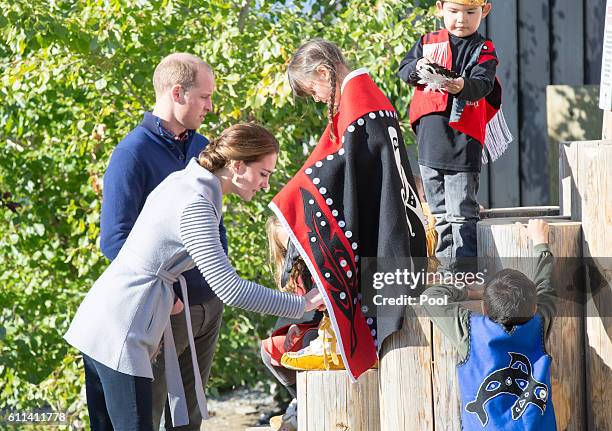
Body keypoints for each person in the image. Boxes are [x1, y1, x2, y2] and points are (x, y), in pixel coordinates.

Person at [65, 123, 324, 431]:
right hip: (121, 329)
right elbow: (230, 288)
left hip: (103, 319)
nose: (266, 185)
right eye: (264, 174)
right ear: (238, 165)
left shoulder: (187, 180)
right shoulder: (197, 202)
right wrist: (302, 304)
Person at [271, 39, 427, 380]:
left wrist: (293, 196)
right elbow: (341, 164)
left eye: (312, 89)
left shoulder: (359, 106)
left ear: (324, 72)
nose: (315, 98)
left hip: (384, 235)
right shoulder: (364, 99)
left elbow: (337, 168)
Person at [98, 52, 227, 431]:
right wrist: (164, 299)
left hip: (207, 310)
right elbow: (114, 239)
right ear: (178, 93)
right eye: (204, 96)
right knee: (146, 422)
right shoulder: (131, 153)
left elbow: (215, 224)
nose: (210, 105)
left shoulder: (202, 147)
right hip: (161, 315)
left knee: (188, 424)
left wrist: (221, 283)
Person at [398, 0, 512, 272]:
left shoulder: (484, 49)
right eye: (454, 11)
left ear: (484, 11)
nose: (461, 19)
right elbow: (405, 69)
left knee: (461, 213)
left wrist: (461, 85)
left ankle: (463, 273)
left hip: (463, 141)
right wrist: (420, 67)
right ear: (440, 8)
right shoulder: (427, 42)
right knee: (438, 214)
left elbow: (483, 85)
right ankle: (446, 270)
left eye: (470, 12)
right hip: (429, 143)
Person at [422, 219, 557, 429]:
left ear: (483, 309)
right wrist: (541, 242)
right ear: (533, 308)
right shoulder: (540, 323)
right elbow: (546, 286)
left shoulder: (469, 331)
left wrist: (470, 291)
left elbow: (431, 297)